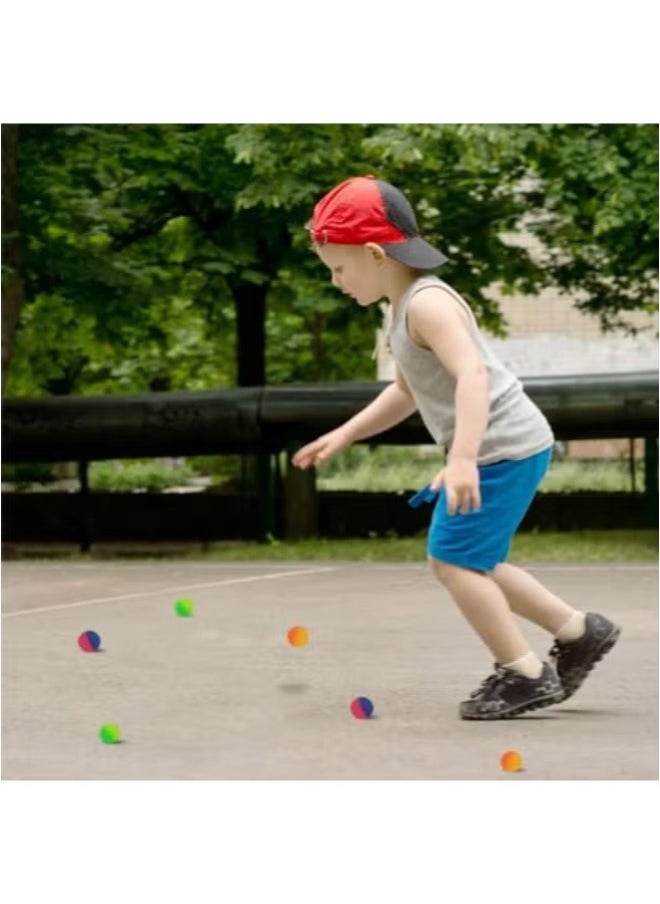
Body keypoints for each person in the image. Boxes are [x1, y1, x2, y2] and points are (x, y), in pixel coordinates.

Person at [292, 175, 620, 720]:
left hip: (499, 449)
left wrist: (462, 458)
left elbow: (471, 375)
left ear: (375, 254)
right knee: (476, 559)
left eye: (338, 267)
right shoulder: (399, 307)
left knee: (451, 559)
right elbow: (405, 391)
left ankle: (525, 673)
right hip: (504, 446)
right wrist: (346, 432)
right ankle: (579, 631)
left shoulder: (427, 304)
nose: (335, 280)